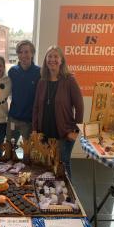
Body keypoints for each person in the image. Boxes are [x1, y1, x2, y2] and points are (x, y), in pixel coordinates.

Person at [32, 45, 84, 178]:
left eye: (56, 56)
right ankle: (50, 195)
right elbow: (36, 107)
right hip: (44, 133)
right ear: (45, 60)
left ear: (61, 60)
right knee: (47, 164)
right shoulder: (42, 81)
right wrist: (35, 129)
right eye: (49, 56)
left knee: (63, 166)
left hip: (64, 133)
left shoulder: (69, 80)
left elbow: (79, 106)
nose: (52, 59)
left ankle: (69, 198)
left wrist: (75, 131)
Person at [7, 40, 40, 143]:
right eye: (20, 52)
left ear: (32, 53)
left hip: (29, 121)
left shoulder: (39, 72)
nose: (23, 55)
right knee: (9, 149)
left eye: (26, 52)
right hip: (13, 118)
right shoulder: (12, 72)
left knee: (28, 152)